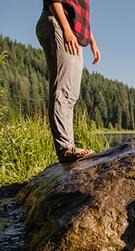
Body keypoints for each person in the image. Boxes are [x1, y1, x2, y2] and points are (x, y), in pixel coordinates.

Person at [36, 0, 101, 163]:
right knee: (63, 90)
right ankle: (65, 149)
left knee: (71, 95)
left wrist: (92, 41)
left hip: (71, 31)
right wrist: (65, 29)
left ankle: (69, 148)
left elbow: (79, 15)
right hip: (58, 22)